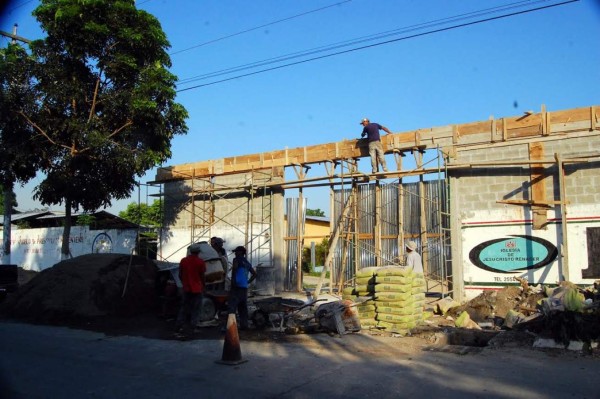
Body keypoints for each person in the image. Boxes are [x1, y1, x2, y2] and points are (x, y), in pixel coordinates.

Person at [175, 243, 207, 335]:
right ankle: (193, 327)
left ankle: (178, 326)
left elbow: (180, 275)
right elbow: (202, 276)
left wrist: (184, 283)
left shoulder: (183, 261)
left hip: (186, 289)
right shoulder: (200, 262)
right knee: (196, 309)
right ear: (198, 252)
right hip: (197, 289)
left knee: (184, 308)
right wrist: (203, 287)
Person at [228, 245, 257, 330]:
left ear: (241, 252)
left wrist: (232, 283)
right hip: (244, 287)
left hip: (236, 287)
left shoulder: (236, 260)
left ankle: (230, 326)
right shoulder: (247, 263)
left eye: (236, 252)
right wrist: (247, 282)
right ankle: (244, 325)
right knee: (243, 307)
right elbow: (255, 274)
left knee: (232, 307)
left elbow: (234, 271)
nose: (235, 253)